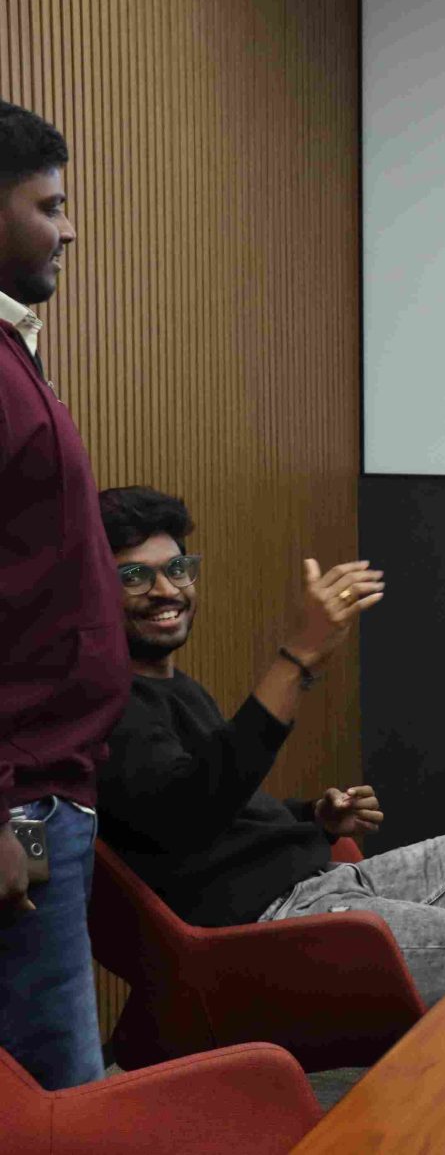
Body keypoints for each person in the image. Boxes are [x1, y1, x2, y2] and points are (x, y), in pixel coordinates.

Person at [94, 486, 445, 1006]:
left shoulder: (174, 687)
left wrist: (313, 817)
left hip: (331, 883)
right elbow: (184, 815)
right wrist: (298, 656)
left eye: (177, 569)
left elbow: (221, 809)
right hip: (283, 925)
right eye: (135, 576)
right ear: (93, 587)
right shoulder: (106, 706)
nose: (167, 590)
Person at [0, 100, 129, 1089]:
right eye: (48, 205)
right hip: (21, 799)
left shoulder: (13, 348)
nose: (70, 228)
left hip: (50, 786)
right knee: (58, 1109)